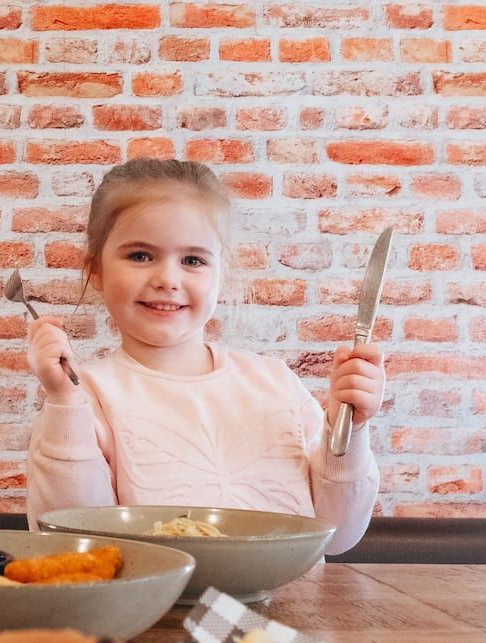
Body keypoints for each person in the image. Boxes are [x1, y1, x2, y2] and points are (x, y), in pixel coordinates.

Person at [25, 159, 385, 554]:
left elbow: (339, 534)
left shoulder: (274, 382)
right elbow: (73, 544)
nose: (167, 279)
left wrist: (349, 428)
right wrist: (63, 404)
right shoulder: (85, 397)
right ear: (96, 271)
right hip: (164, 613)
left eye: (192, 260)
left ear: (221, 272)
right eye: (141, 256)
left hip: (284, 611)